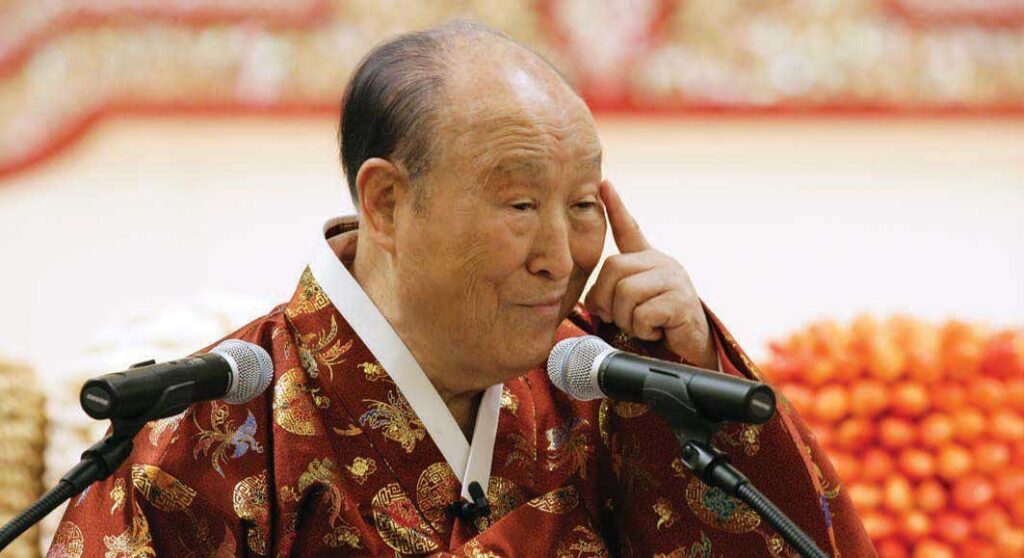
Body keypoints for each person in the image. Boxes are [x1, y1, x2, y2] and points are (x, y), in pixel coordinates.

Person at [48, 22, 873, 557]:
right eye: (520, 204)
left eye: (583, 205)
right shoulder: (209, 436)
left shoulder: (608, 389)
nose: (561, 258)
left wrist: (693, 376)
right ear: (386, 203)